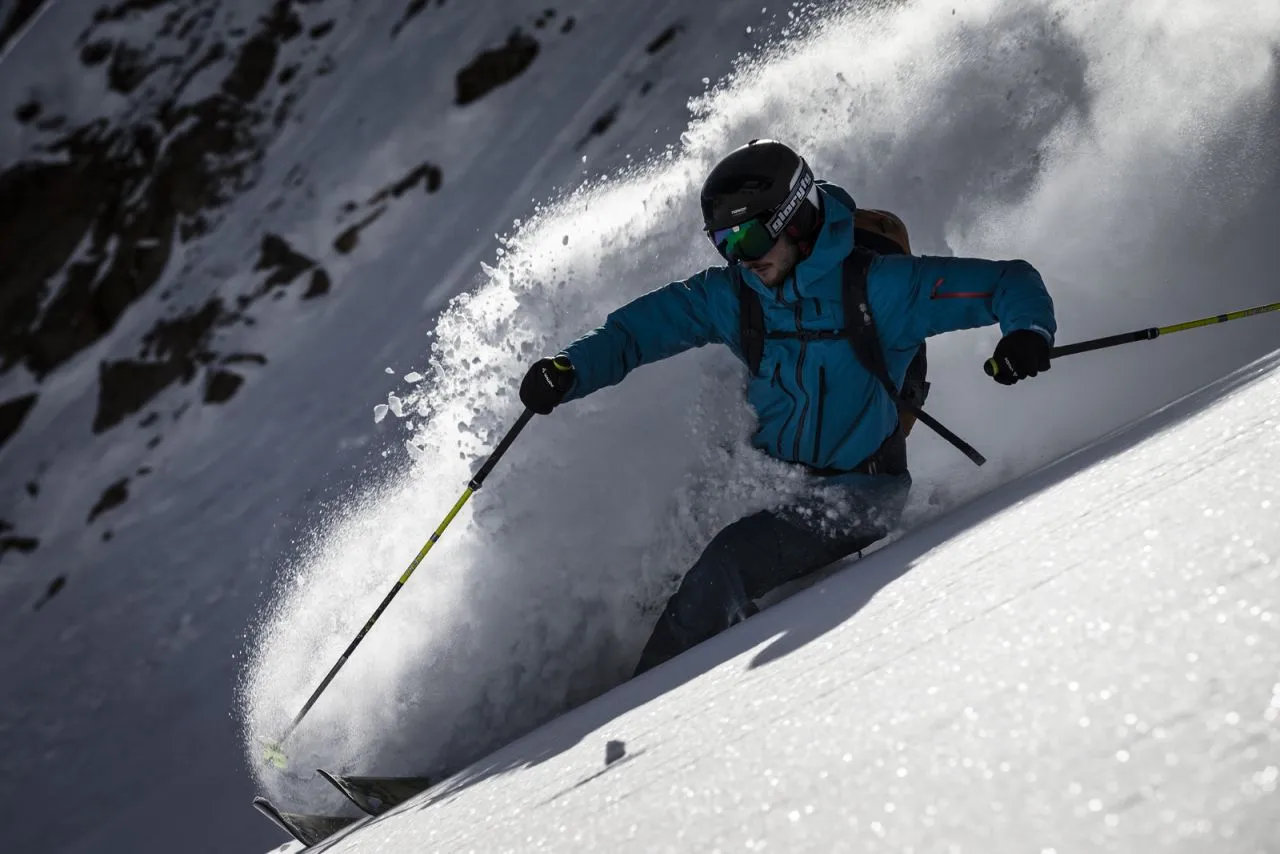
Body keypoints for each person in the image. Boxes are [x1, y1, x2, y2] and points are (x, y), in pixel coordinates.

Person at [518, 139, 1055, 676]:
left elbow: (1007, 282)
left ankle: (648, 700)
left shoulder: (881, 289)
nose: (742, 256)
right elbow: (636, 332)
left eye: (749, 235)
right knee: (664, 573)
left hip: (857, 493)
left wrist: (1027, 332)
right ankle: (605, 679)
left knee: (726, 563)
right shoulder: (737, 295)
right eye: (724, 242)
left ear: (795, 219)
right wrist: (570, 369)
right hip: (769, 475)